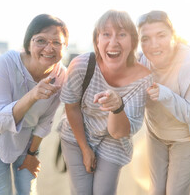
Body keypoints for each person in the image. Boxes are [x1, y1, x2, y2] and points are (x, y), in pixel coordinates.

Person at [59, 10, 152, 195]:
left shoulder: (142, 73)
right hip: (78, 134)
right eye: (106, 34)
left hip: (114, 140)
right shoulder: (80, 66)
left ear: (133, 41)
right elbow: (71, 107)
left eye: (122, 34)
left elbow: (119, 132)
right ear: (97, 41)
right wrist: (85, 149)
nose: (113, 42)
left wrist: (117, 107)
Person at [0, 14, 69, 195]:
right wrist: (32, 95)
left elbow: (46, 121)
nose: (49, 48)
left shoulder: (62, 75)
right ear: (28, 42)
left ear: (64, 47)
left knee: (28, 190)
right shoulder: (6, 63)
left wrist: (32, 154)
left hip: (27, 141)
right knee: (1, 191)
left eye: (57, 42)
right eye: (41, 40)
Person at [137, 10, 190, 195]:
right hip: (157, 133)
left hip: (187, 137)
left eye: (161, 35)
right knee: (156, 191)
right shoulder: (141, 61)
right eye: (145, 38)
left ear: (174, 36)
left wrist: (166, 94)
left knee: (175, 192)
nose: (153, 44)